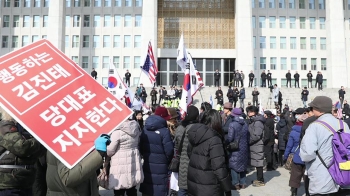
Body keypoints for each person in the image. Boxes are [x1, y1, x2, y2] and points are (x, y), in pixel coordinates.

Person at [300, 96, 350, 195]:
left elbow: (307, 154)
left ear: (318, 110)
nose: (312, 110)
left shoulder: (314, 126)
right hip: (344, 175)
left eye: (313, 108)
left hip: (322, 178)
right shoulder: (343, 125)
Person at [0, 109, 46, 196]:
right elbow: (21, 147)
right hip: (9, 183)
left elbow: (40, 153)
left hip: (25, 182)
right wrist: (42, 139)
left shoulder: (25, 128)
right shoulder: (5, 126)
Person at [187, 109, 232, 196]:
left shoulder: (196, 134)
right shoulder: (214, 139)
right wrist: (227, 189)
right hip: (209, 185)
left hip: (194, 181)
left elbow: (189, 153)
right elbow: (219, 167)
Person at [139, 107, 174, 196]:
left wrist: (146, 156)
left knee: (147, 188)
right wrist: (165, 160)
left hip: (147, 164)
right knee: (159, 189)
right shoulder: (164, 131)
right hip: (161, 166)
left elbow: (140, 146)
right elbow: (169, 151)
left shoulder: (145, 129)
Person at [107, 118, 143, 196]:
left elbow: (110, 150)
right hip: (133, 159)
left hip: (120, 162)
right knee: (132, 186)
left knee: (119, 187)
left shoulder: (117, 132)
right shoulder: (136, 128)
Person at [174, 106, 199, 196]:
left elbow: (176, 146)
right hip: (196, 163)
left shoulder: (179, 128)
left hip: (183, 163)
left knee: (183, 189)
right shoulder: (199, 129)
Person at [284, 113, 308, 196]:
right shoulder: (309, 131)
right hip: (308, 157)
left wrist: (286, 155)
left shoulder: (293, 132)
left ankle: (294, 193)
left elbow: (289, 146)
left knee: (294, 177)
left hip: (296, 156)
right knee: (307, 178)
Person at [227, 108, 249, 190]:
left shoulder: (232, 124)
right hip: (244, 147)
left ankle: (235, 184)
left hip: (235, 147)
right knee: (243, 165)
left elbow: (230, 138)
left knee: (234, 165)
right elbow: (248, 136)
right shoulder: (245, 124)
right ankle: (243, 183)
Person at [246, 105, 266, 187]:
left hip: (257, 145)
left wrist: (249, 141)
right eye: (248, 112)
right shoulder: (253, 121)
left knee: (259, 163)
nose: (248, 113)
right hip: (254, 145)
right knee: (257, 163)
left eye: (250, 112)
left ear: (254, 112)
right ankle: (259, 179)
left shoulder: (258, 122)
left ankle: (261, 180)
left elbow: (256, 135)